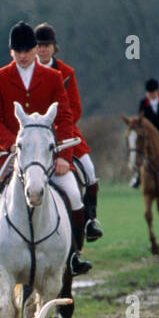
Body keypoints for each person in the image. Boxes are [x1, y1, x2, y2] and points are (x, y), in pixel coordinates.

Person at [0, 21, 92, 280]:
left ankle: (75, 255)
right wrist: (10, 144)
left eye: (28, 50)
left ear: (35, 50)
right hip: (4, 151)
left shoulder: (53, 78)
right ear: (11, 52)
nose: (23, 55)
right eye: (17, 51)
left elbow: (64, 117)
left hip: (45, 153)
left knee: (75, 195)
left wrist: (64, 156)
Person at [33, 23, 102, 242]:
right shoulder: (26, 71)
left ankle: (90, 220)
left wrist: (57, 130)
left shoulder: (67, 72)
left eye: (47, 45)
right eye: (39, 46)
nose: (42, 49)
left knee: (89, 171)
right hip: (34, 133)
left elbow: (75, 109)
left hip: (64, 132)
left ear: (54, 47)